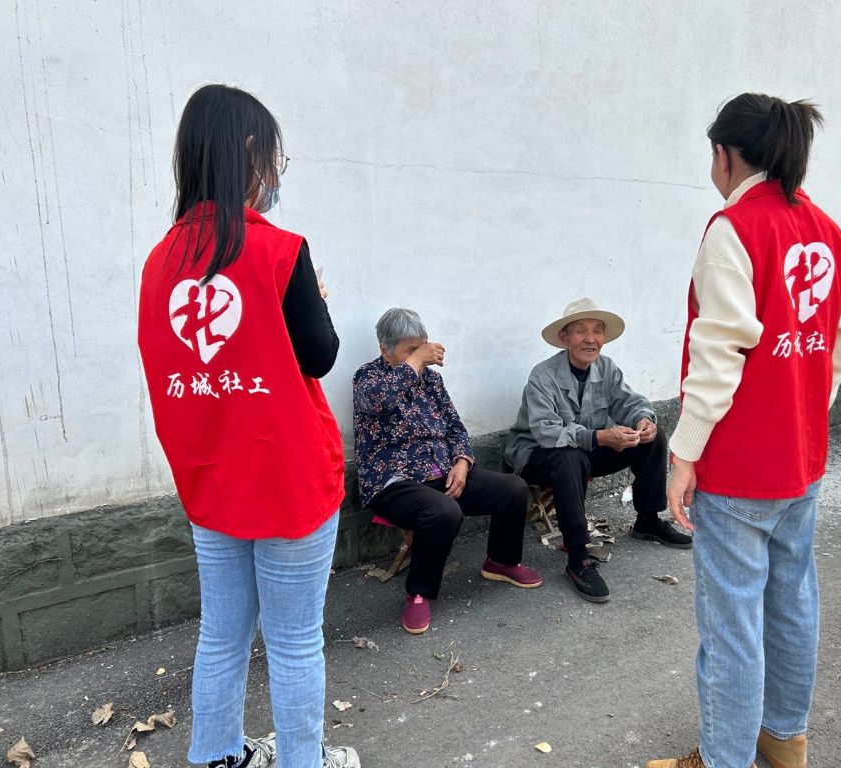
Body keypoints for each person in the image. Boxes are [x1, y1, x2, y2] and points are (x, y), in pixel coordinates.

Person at [137, 85, 359, 768]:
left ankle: (215, 757)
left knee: (222, 635)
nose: (277, 174)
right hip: (289, 484)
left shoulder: (159, 263)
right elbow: (319, 355)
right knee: (294, 642)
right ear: (251, 154)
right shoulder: (280, 251)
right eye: (276, 159)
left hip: (212, 484)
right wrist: (313, 301)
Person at [644, 94, 841, 768]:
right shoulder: (825, 228)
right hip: (801, 458)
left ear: (726, 154)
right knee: (792, 602)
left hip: (739, 467)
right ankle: (785, 740)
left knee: (731, 625)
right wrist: (804, 409)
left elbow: (717, 358)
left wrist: (683, 453)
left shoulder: (734, 228)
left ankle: (724, 759)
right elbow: (838, 342)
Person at [353, 308, 543, 634]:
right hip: (394, 480)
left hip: (443, 470)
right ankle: (419, 593)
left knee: (513, 488)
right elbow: (377, 403)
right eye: (411, 349)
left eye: (422, 346)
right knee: (443, 510)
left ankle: (501, 561)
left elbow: (455, 427)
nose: (422, 355)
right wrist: (416, 362)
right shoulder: (368, 378)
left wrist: (462, 463)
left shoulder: (432, 380)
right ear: (385, 350)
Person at [504, 298, 692, 604]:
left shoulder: (606, 368)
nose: (590, 339)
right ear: (565, 337)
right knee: (569, 455)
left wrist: (643, 420)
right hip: (535, 455)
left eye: (597, 331)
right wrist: (600, 437)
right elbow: (547, 432)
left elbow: (630, 403)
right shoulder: (543, 376)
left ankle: (648, 520)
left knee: (653, 438)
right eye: (580, 330)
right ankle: (578, 557)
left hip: (585, 450)